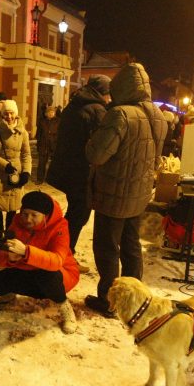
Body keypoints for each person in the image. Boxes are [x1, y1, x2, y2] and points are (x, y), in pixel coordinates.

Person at [84, 63, 167, 317]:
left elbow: (96, 154)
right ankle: (135, 299)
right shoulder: (157, 115)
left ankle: (110, 300)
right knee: (132, 247)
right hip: (138, 195)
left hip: (114, 194)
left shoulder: (120, 114)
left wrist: (92, 138)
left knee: (107, 247)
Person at [0, 191, 79, 334]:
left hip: (60, 274)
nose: (28, 219)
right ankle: (12, 291)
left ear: (45, 216)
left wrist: (26, 252)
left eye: (34, 215)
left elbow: (57, 261)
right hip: (27, 270)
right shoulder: (17, 222)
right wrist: (10, 258)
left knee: (48, 277)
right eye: (25, 214)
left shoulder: (59, 226)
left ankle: (65, 307)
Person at [47, 74, 111, 273]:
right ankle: (64, 254)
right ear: (102, 92)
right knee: (79, 214)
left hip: (67, 169)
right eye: (108, 94)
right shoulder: (96, 110)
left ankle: (63, 251)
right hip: (80, 171)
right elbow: (100, 143)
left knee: (75, 212)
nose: (110, 99)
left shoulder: (74, 104)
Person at [0, 99, 32, 236]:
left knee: (13, 207)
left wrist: (26, 172)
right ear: (2, 114)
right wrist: (5, 165)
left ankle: (10, 232)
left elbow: (26, 154)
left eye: (11, 113)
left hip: (15, 174)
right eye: (6, 114)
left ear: (16, 114)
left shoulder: (22, 132)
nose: (9, 117)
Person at [35, 105, 60, 184]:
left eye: (52, 112)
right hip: (43, 145)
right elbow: (38, 134)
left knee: (54, 164)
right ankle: (40, 179)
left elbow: (60, 133)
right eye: (49, 112)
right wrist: (38, 144)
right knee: (42, 163)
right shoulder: (42, 121)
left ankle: (52, 179)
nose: (51, 113)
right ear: (46, 113)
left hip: (54, 145)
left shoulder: (58, 121)